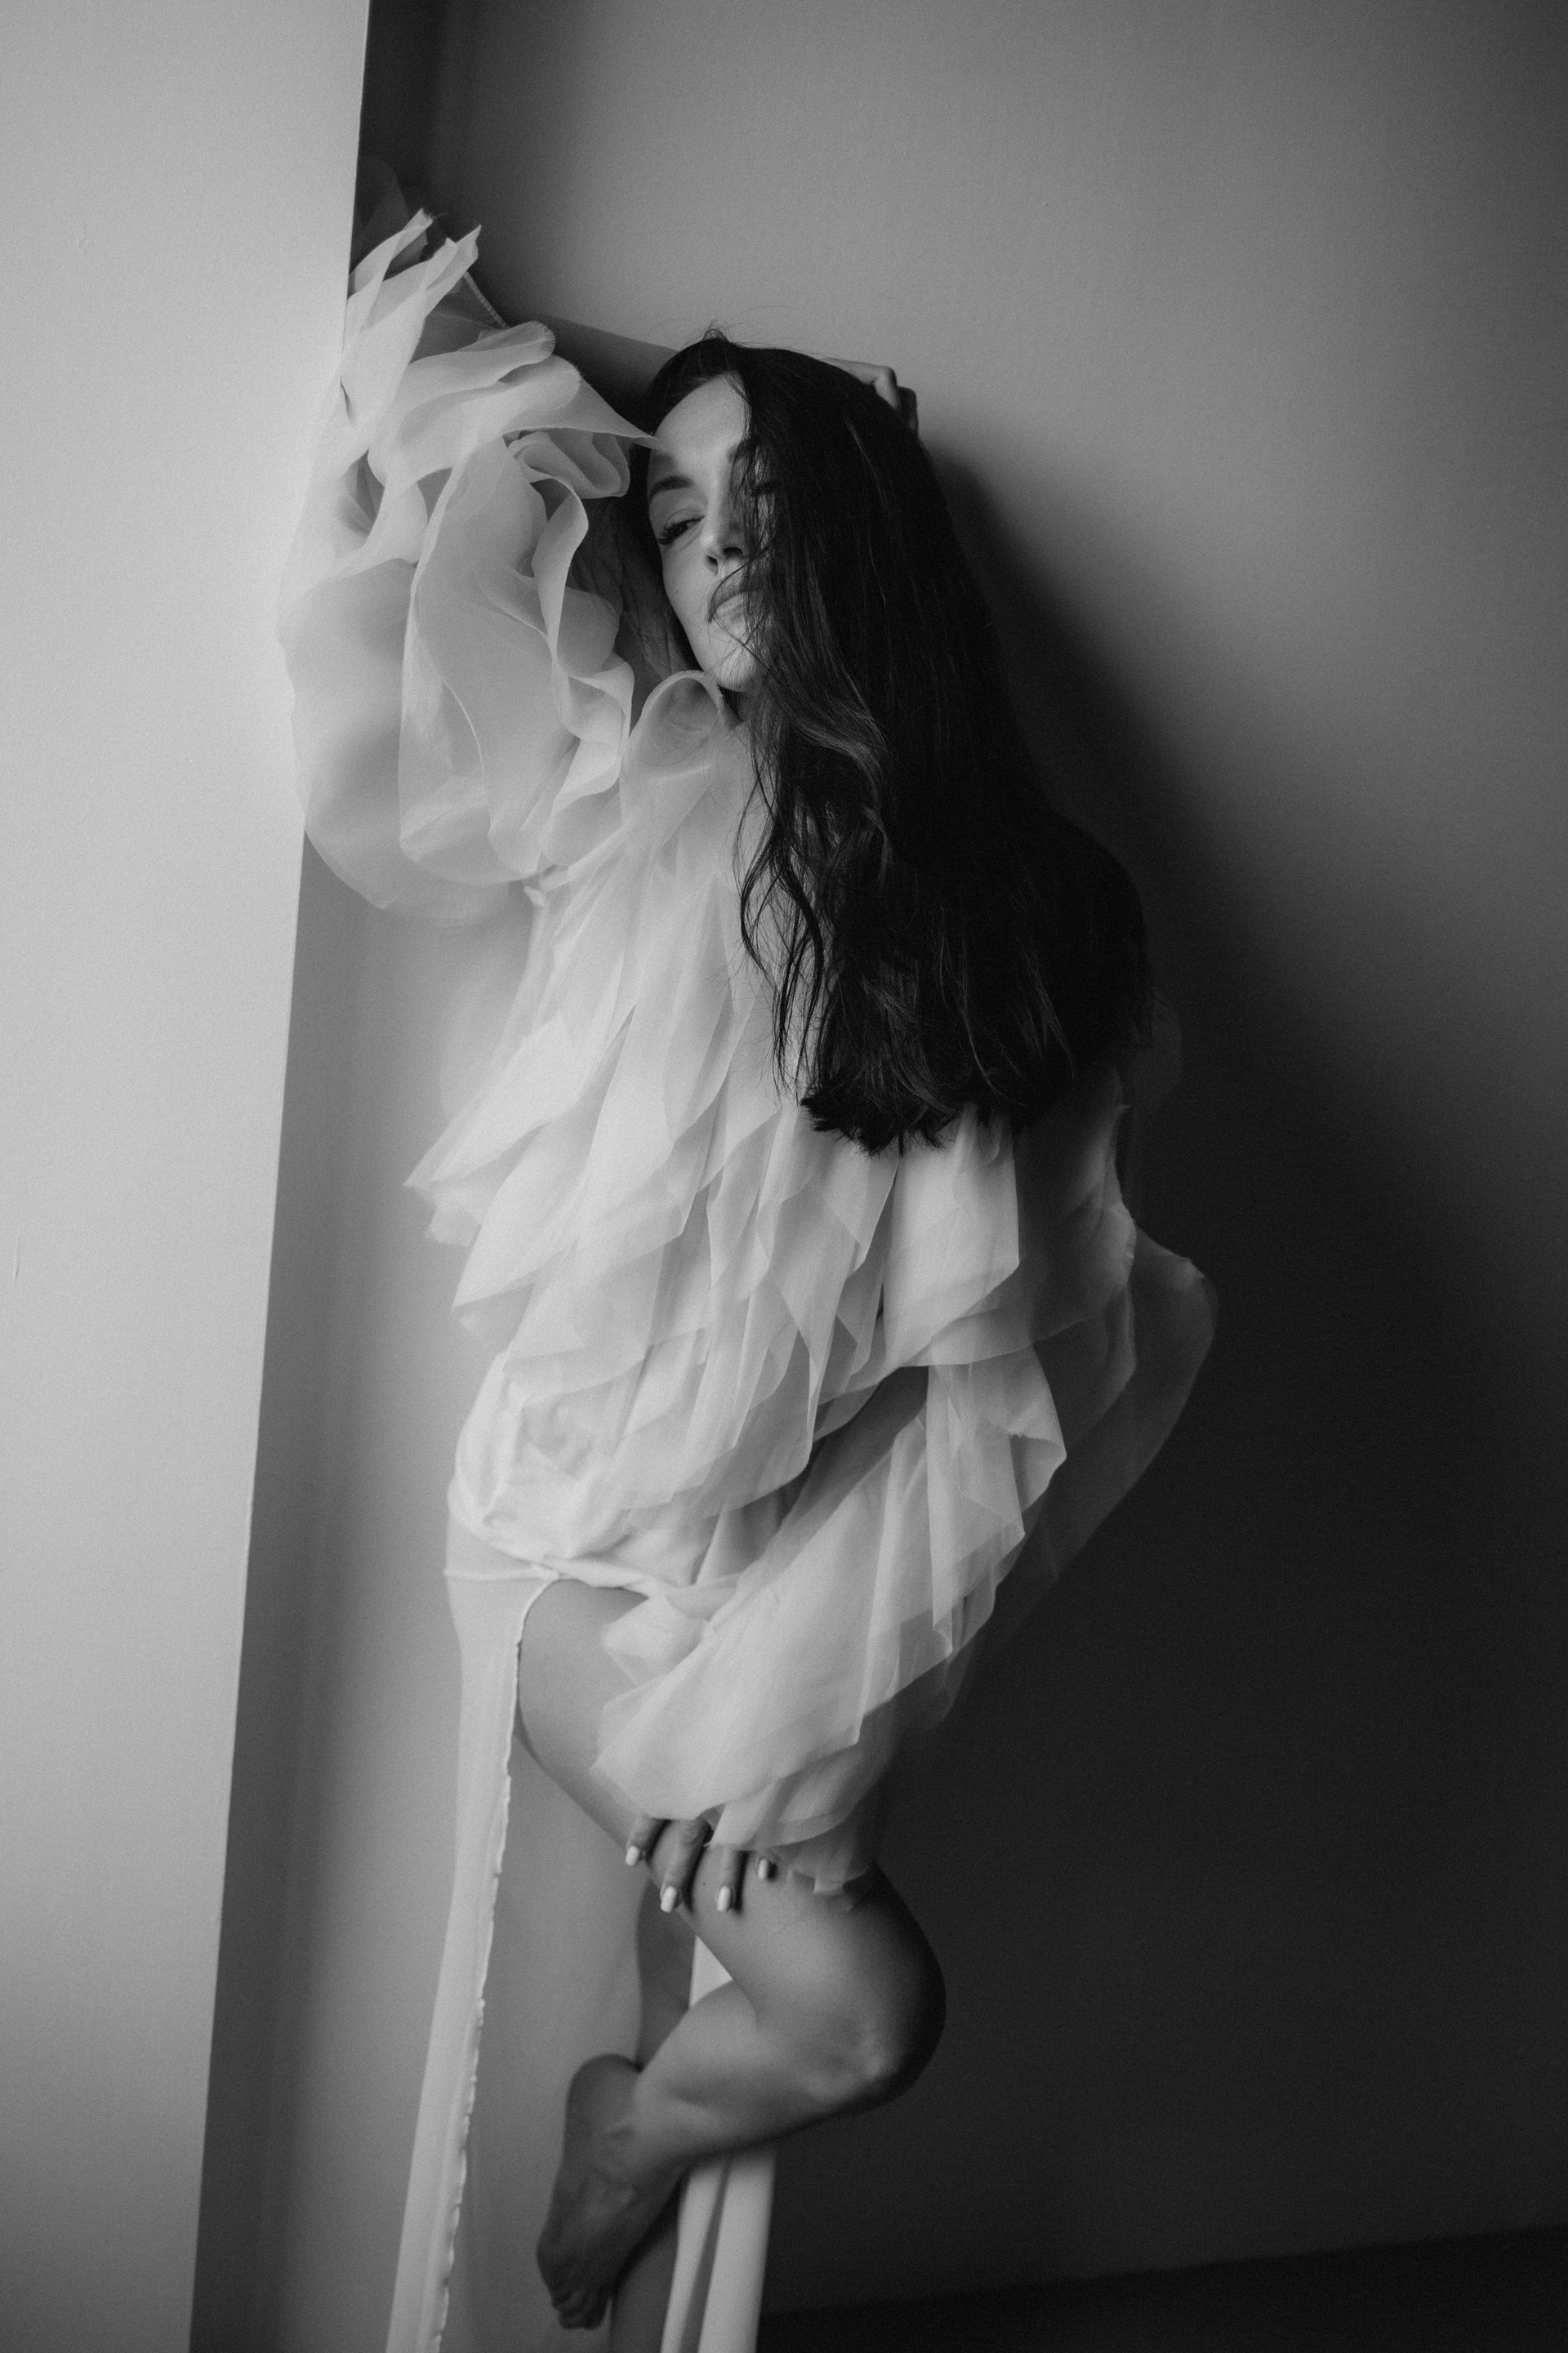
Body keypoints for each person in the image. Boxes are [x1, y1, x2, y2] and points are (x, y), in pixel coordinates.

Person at [279, 203, 1214, 2351]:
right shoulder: (647, 780)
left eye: (772, 507)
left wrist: (808, 1699)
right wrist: (622, 399)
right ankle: (613, 2136)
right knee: (863, 2002)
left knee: (848, 2024)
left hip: (788, 1566)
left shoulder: (1027, 913)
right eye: (685, 518)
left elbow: (1006, 1364)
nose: (721, 556)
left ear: (867, 540)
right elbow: (448, 534)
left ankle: (635, 2137)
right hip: (570, 1544)